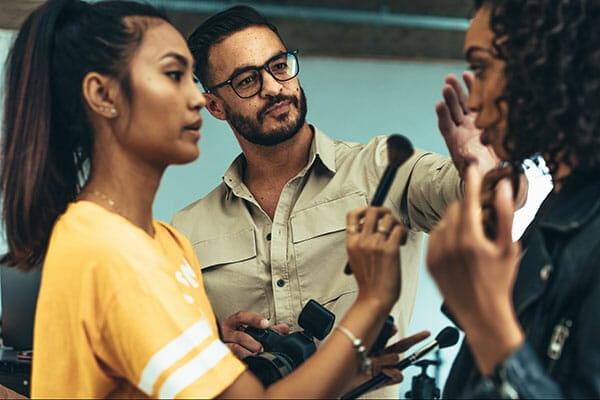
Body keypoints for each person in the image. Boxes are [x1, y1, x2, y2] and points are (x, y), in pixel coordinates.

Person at [0, 0, 427, 398]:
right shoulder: (107, 248)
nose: (195, 99)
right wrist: (370, 304)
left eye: (191, 77)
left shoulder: (169, 243)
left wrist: (218, 348)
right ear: (103, 96)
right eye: (172, 75)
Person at [171, 6, 501, 397]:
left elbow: (487, 209)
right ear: (215, 106)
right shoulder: (184, 232)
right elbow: (183, 368)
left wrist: (484, 169)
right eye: (247, 80)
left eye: (279, 66)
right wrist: (214, 349)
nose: (274, 87)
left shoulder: (386, 169)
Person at [426, 0, 600, 397]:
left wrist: (486, 317)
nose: (472, 101)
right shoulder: (559, 206)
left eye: (483, 67)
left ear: (547, 66)